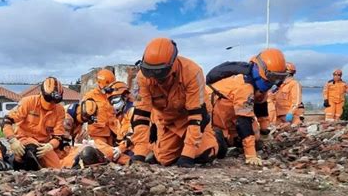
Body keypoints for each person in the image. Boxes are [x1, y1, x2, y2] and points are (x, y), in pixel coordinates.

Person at [131, 37, 222, 168]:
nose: (154, 78)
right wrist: (139, 153)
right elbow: (141, 115)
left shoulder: (192, 72)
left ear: (172, 65)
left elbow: (197, 116)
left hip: (192, 118)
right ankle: (179, 147)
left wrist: (188, 155)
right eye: (149, 71)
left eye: (159, 73)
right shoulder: (142, 78)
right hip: (168, 122)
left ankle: (216, 139)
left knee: (203, 154)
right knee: (164, 160)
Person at [205, 48, 288, 166]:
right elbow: (243, 120)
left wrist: (264, 133)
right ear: (262, 71)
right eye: (273, 77)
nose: (275, 82)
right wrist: (250, 155)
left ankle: (233, 140)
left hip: (229, 113)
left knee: (256, 138)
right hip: (217, 112)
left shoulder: (260, 85)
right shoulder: (244, 85)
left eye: (279, 78)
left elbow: (261, 108)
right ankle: (217, 137)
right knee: (218, 150)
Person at [1, 77, 66, 170]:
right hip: (24, 139)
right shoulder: (28, 102)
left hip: (43, 144)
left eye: (54, 101)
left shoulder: (59, 110)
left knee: (57, 168)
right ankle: (16, 163)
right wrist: (12, 140)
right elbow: (6, 121)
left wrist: (50, 145)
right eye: (48, 100)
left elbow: (58, 136)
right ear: (42, 93)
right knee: (30, 150)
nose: (51, 104)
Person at [83, 69, 119, 145]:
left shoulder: (112, 94)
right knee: (104, 153)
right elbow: (83, 115)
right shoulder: (90, 96)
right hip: (97, 133)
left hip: (113, 132)